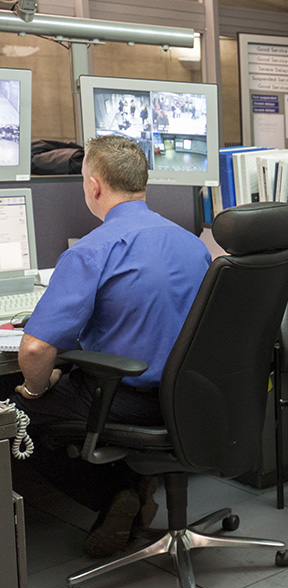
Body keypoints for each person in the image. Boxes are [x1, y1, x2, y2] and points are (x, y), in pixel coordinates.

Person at [13, 135, 211, 558]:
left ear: (95, 186)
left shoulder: (92, 251)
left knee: (17, 414)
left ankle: (114, 495)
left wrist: (34, 388)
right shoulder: (194, 246)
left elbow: (32, 352)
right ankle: (136, 486)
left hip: (127, 400)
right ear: (144, 183)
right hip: (190, 398)